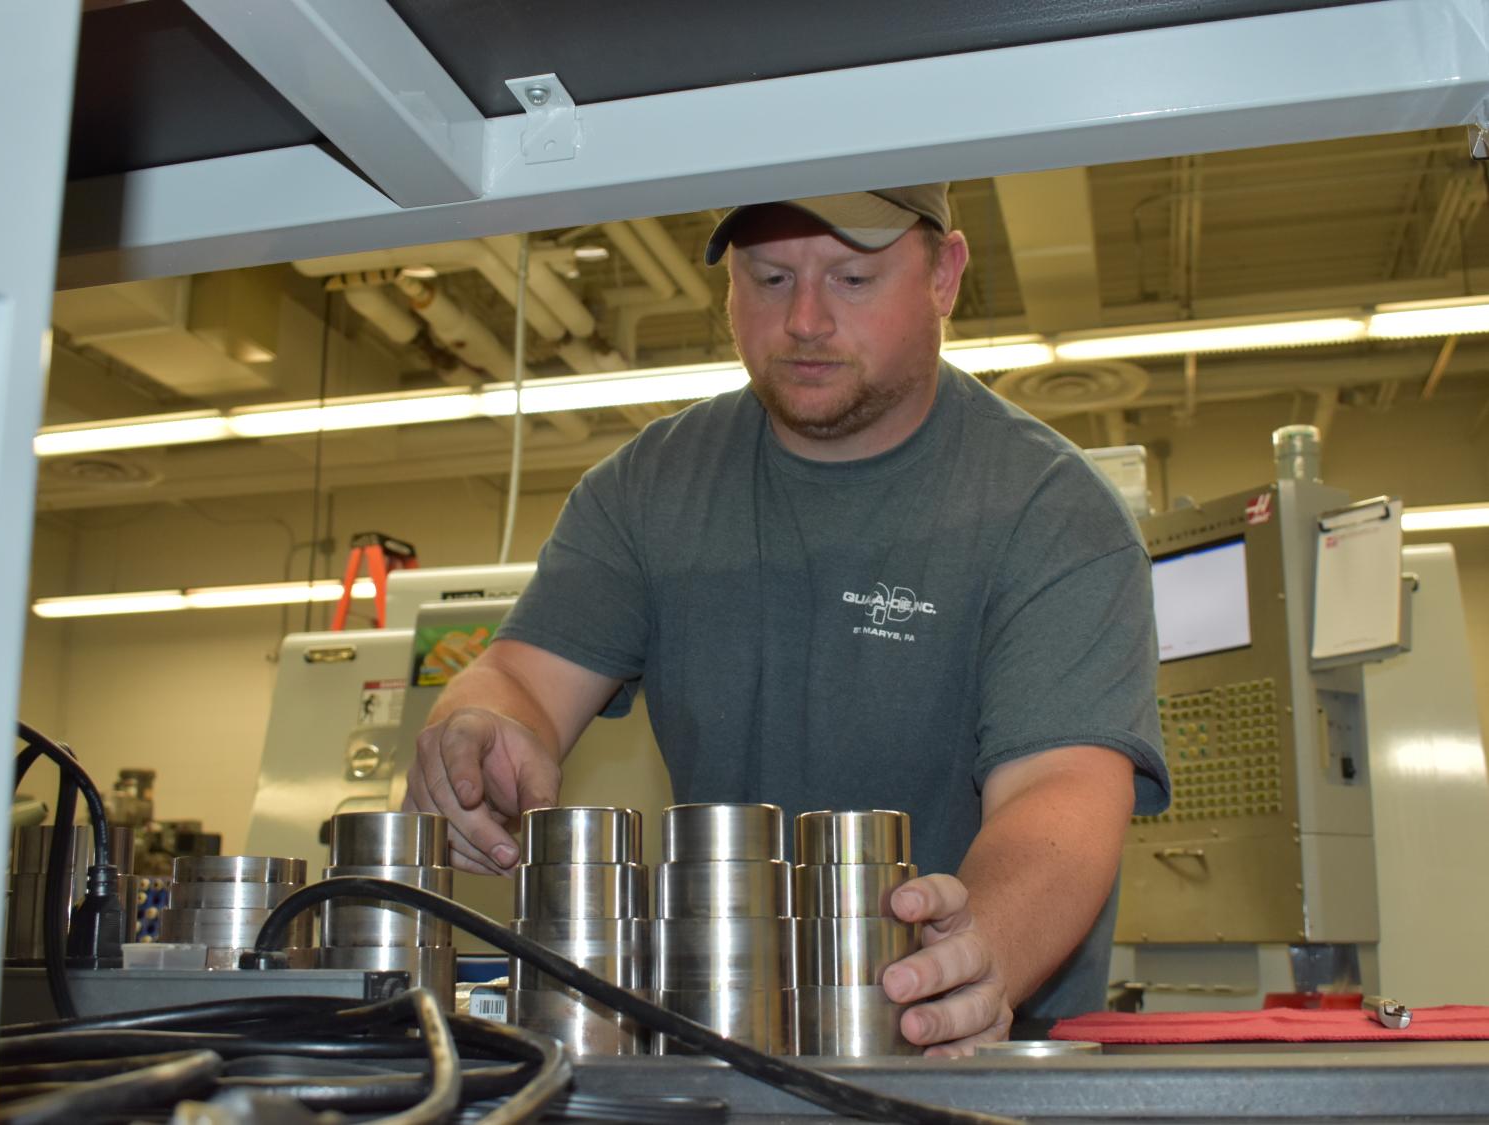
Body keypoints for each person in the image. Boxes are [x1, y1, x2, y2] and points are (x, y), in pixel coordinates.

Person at [405, 184, 1169, 1053]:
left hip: (979, 1046)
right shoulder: (647, 491)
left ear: (945, 275)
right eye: (769, 278)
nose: (805, 319)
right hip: (728, 1034)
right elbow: (519, 680)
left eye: (851, 278)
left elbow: (1060, 793)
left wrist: (979, 955)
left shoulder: (1051, 513)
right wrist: (475, 728)